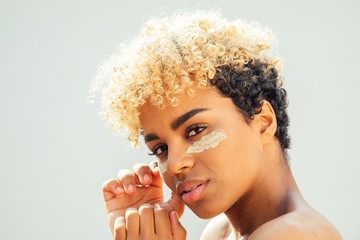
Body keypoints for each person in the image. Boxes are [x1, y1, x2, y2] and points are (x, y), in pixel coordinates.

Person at [93, 10, 342, 240]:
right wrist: (145, 227)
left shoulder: (293, 234)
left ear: (263, 122)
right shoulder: (220, 232)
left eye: (195, 130)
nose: (176, 164)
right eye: (160, 149)